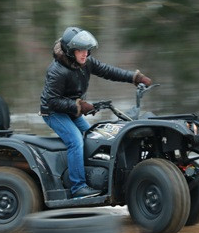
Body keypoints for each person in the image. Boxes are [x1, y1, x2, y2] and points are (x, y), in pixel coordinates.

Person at [40, 27, 152, 199]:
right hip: (54, 113)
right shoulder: (57, 71)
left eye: (87, 50)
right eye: (80, 50)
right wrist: (79, 106)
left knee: (92, 138)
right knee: (76, 141)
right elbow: (51, 101)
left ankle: (92, 177)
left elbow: (108, 71)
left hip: (71, 110)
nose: (85, 54)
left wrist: (134, 78)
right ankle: (78, 187)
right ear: (70, 51)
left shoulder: (86, 62)